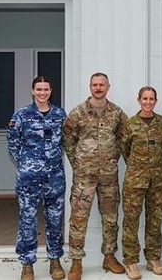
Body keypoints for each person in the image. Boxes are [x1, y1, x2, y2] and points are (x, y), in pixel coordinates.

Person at [63, 72, 129, 280]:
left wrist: (113, 156)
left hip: (109, 175)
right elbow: (68, 140)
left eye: (102, 85)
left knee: (110, 218)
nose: (98, 88)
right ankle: (76, 262)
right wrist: (79, 163)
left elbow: (124, 137)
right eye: (95, 84)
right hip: (84, 177)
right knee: (78, 218)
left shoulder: (117, 113)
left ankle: (109, 256)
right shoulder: (78, 112)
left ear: (108, 87)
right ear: (90, 87)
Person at [7, 76, 67, 280]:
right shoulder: (22, 115)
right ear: (33, 91)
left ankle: (55, 261)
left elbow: (65, 142)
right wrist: (27, 164)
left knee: (55, 220)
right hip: (29, 179)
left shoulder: (60, 114)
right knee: (27, 221)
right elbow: (13, 145)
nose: (43, 93)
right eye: (39, 89)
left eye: (46, 89)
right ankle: (27, 263)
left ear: (51, 91)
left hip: (54, 178)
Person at [120, 86, 162, 280]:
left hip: (158, 179)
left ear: (155, 101)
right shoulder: (130, 124)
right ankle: (131, 261)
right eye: (145, 99)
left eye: (151, 99)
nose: (148, 102)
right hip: (135, 180)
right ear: (139, 100)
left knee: (155, 220)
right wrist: (138, 167)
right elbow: (125, 149)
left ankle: (153, 258)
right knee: (131, 221)